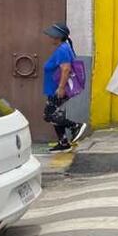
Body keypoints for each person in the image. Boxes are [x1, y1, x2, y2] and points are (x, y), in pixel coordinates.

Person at [42, 22, 87, 152]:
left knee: (49, 115)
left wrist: (61, 88)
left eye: (52, 36)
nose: (50, 38)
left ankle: (75, 126)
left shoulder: (62, 50)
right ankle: (63, 142)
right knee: (55, 113)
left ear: (58, 37)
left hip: (59, 88)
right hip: (55, 88)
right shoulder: (64, 47)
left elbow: (66, 69)